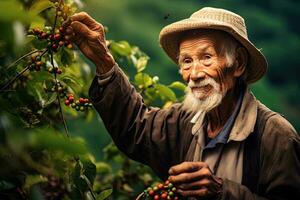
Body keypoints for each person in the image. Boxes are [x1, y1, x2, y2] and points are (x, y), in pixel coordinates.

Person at [65, 7, 300, 199]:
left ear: (237, 64)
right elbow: (135, 127)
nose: (195, 73)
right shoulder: (183, 121)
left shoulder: (275, 135)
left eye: (206, 57)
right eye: (187, 61)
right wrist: (104, 61)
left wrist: (221, 192)